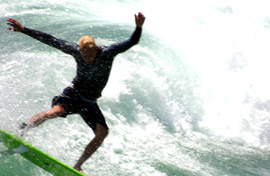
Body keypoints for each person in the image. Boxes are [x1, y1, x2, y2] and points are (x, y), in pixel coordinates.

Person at [6, 12, 145, 174]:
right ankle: (21, 131)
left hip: (90, 101)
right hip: (74, 94)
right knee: (54, 112)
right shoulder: (76, 51)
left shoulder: (108, 53)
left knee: (102, 133)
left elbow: (132, 41)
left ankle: (78, 165)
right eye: (84, 55)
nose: (87, 58)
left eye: (90, 55)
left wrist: (138, 27)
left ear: (96, 49)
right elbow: (52, 40)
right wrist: (24, 30)